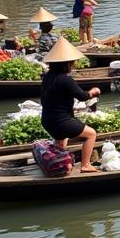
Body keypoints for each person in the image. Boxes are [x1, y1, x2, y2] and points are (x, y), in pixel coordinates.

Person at [39, 39, 101, 172]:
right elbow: (83, 96)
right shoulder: (66, 79)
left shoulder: (47, 76)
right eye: (72, 62)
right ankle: (85, 165)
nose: (73, 64)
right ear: (66, 63)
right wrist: (93, 91)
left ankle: (59, 163)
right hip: (61, 122)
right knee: (91, 134)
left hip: (47, 120)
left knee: (60, 140)